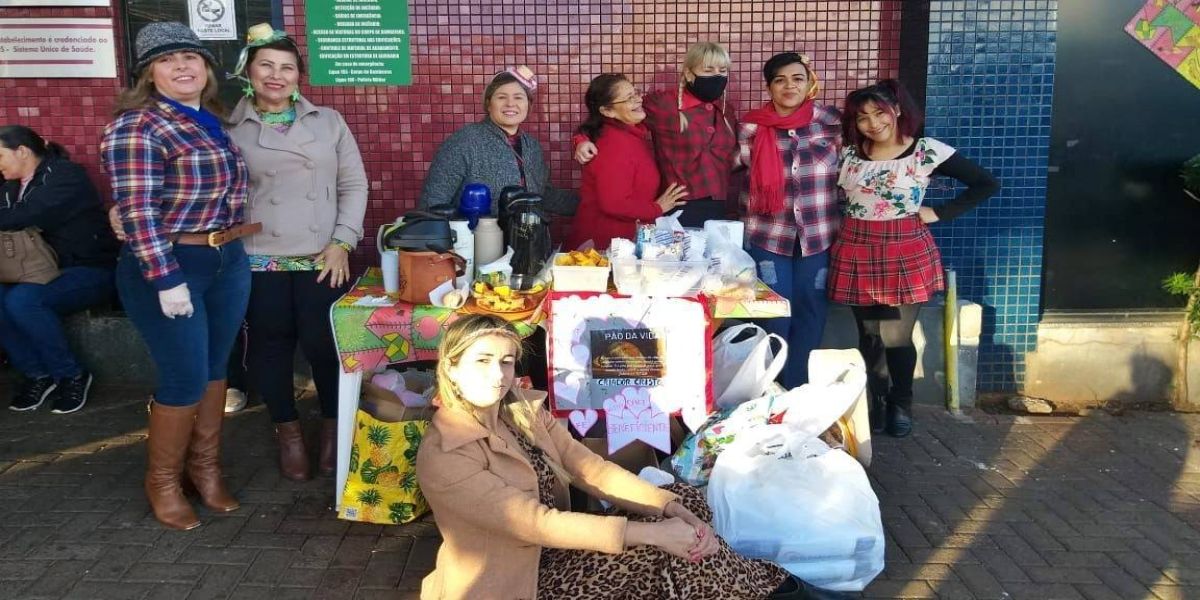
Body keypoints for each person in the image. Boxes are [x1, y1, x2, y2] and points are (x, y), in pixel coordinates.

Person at [415, 315, 840, 600]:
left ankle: (758, 586)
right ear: (451, 368)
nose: (498, 375)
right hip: (518, 581)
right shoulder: (445, 454)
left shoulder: (521, 412)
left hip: (556, 552)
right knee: (659, 552)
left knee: (688, 503)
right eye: (482, 361)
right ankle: (769, 589)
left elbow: (590, 469)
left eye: (506, 362)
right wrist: (657, 535)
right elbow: (537, 523)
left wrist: (670, 507)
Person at [101, 22, 256, 530]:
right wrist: (165, 279)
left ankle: (204, 469)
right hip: (171, 263)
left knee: (213, 370)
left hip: (227, 258)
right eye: (167, 60)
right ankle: (163, 481)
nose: (182, 66)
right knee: (185, 376)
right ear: (149, 74)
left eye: (191, 57)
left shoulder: (211, 120)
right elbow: (138, 210)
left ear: (206, 67)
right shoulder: (138, 126)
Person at [226, 24, 368, 480]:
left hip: (323, 254)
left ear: (299, 75)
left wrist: (342, 241)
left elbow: (353, 184)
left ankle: (332, 430)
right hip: (258, 254)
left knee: (325, 345)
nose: (276, 75)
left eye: (286, 67)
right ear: (248, 72)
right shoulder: (229, 127)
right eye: (266, 65)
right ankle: (287, 432)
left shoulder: (328, 121)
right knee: (271, 345)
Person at [830, 80, 1000, 437]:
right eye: (863, 117)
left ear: (897, 110)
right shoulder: (849, 154)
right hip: (858, 247)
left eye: (880, 113)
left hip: (905, 249)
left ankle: (901, 403)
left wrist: (938, 213)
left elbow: (985, 183)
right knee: (870, 336)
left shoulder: (925, 151)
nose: (873, 123)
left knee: (896, 335)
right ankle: (875, 402)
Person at [737, 52, 842, 390]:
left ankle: (798, 390)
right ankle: (773, 389)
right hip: (768, 235)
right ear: (769, 87)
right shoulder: (750, 127)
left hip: (818, 234)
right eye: (779, 80)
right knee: (774, 314)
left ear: (809, 82)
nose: (789, 86)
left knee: (811, 311)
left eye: (797, 78)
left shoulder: (831, 122)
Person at [0, 126, 118, 414]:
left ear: (22, 151)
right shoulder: (10, 186)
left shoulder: (65, 176)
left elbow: (26, 215)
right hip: (33, 272)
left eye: (0, 156)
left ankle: (71, 375)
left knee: (23, 300)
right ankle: (37, 374)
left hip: (88, 269)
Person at [574, 42, 738, 227]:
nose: (717, 76)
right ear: (688, 73)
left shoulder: (726, 111)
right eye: (708, 70)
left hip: (718, 204)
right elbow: (612, 115)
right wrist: (581, 140)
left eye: (722, 70)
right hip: (680, 206)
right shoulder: (664, 104)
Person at [417, 66, 577, 217]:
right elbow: (432, 202)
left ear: (529, 105)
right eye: (501, 97)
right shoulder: (464, 142)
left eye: (518, 97)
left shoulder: (532, 146)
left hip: (526, 235)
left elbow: (542, 195)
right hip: (476, 236)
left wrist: (586, 205)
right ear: (488, 104)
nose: (510, 104)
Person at [566, 74, 688, 251]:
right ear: (608, 111)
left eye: (636, 93)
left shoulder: (631, 134)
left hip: (619, 245)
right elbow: (614, 203)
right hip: (600, 250)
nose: (638, 99)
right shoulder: (614, 144)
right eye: (629, 98)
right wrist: (657, 208)